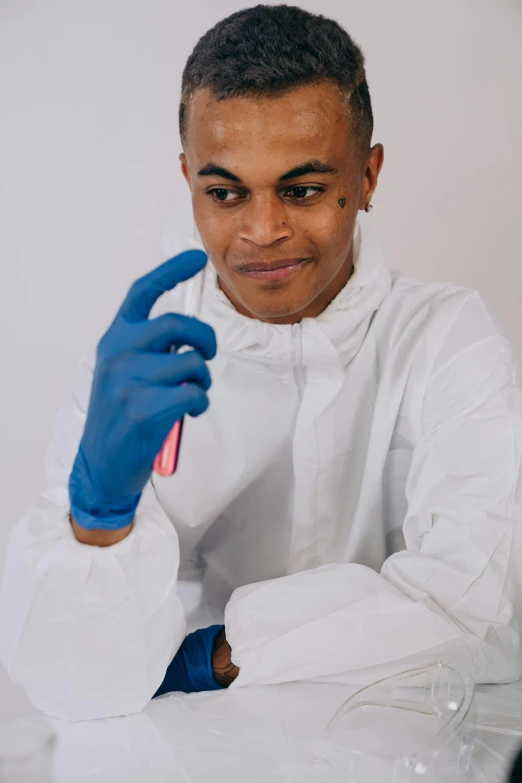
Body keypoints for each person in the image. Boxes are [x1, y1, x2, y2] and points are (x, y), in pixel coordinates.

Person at [1, 3, 521, 722]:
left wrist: (214, 654)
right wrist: (98, 521)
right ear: (188, 179)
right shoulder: (140, 363)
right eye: (225, 192)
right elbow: (70, 684)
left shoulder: (443, 338)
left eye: (302, 189)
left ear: (368, 176)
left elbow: (483, 607)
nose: (263, 230)